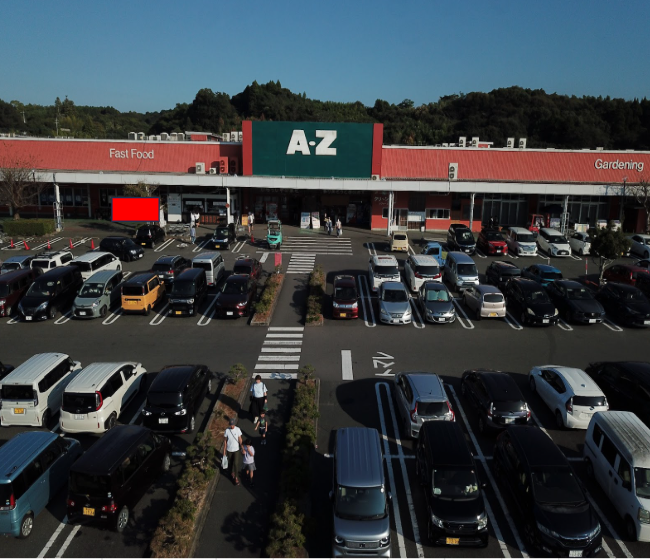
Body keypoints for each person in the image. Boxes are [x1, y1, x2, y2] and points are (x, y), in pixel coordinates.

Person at [222, 418, 243, 485]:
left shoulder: (237, 429)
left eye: (233, 424)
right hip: (229, 450)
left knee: (236, 463)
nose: (232, 426)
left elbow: (240, 439)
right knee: (230, 463)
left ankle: (236, 478)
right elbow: (225, 441)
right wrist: (224, 451)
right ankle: (232, 472)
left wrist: (242, 447)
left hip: (236, 449)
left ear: (234, 423)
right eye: (231, 425)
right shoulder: (227, 430)